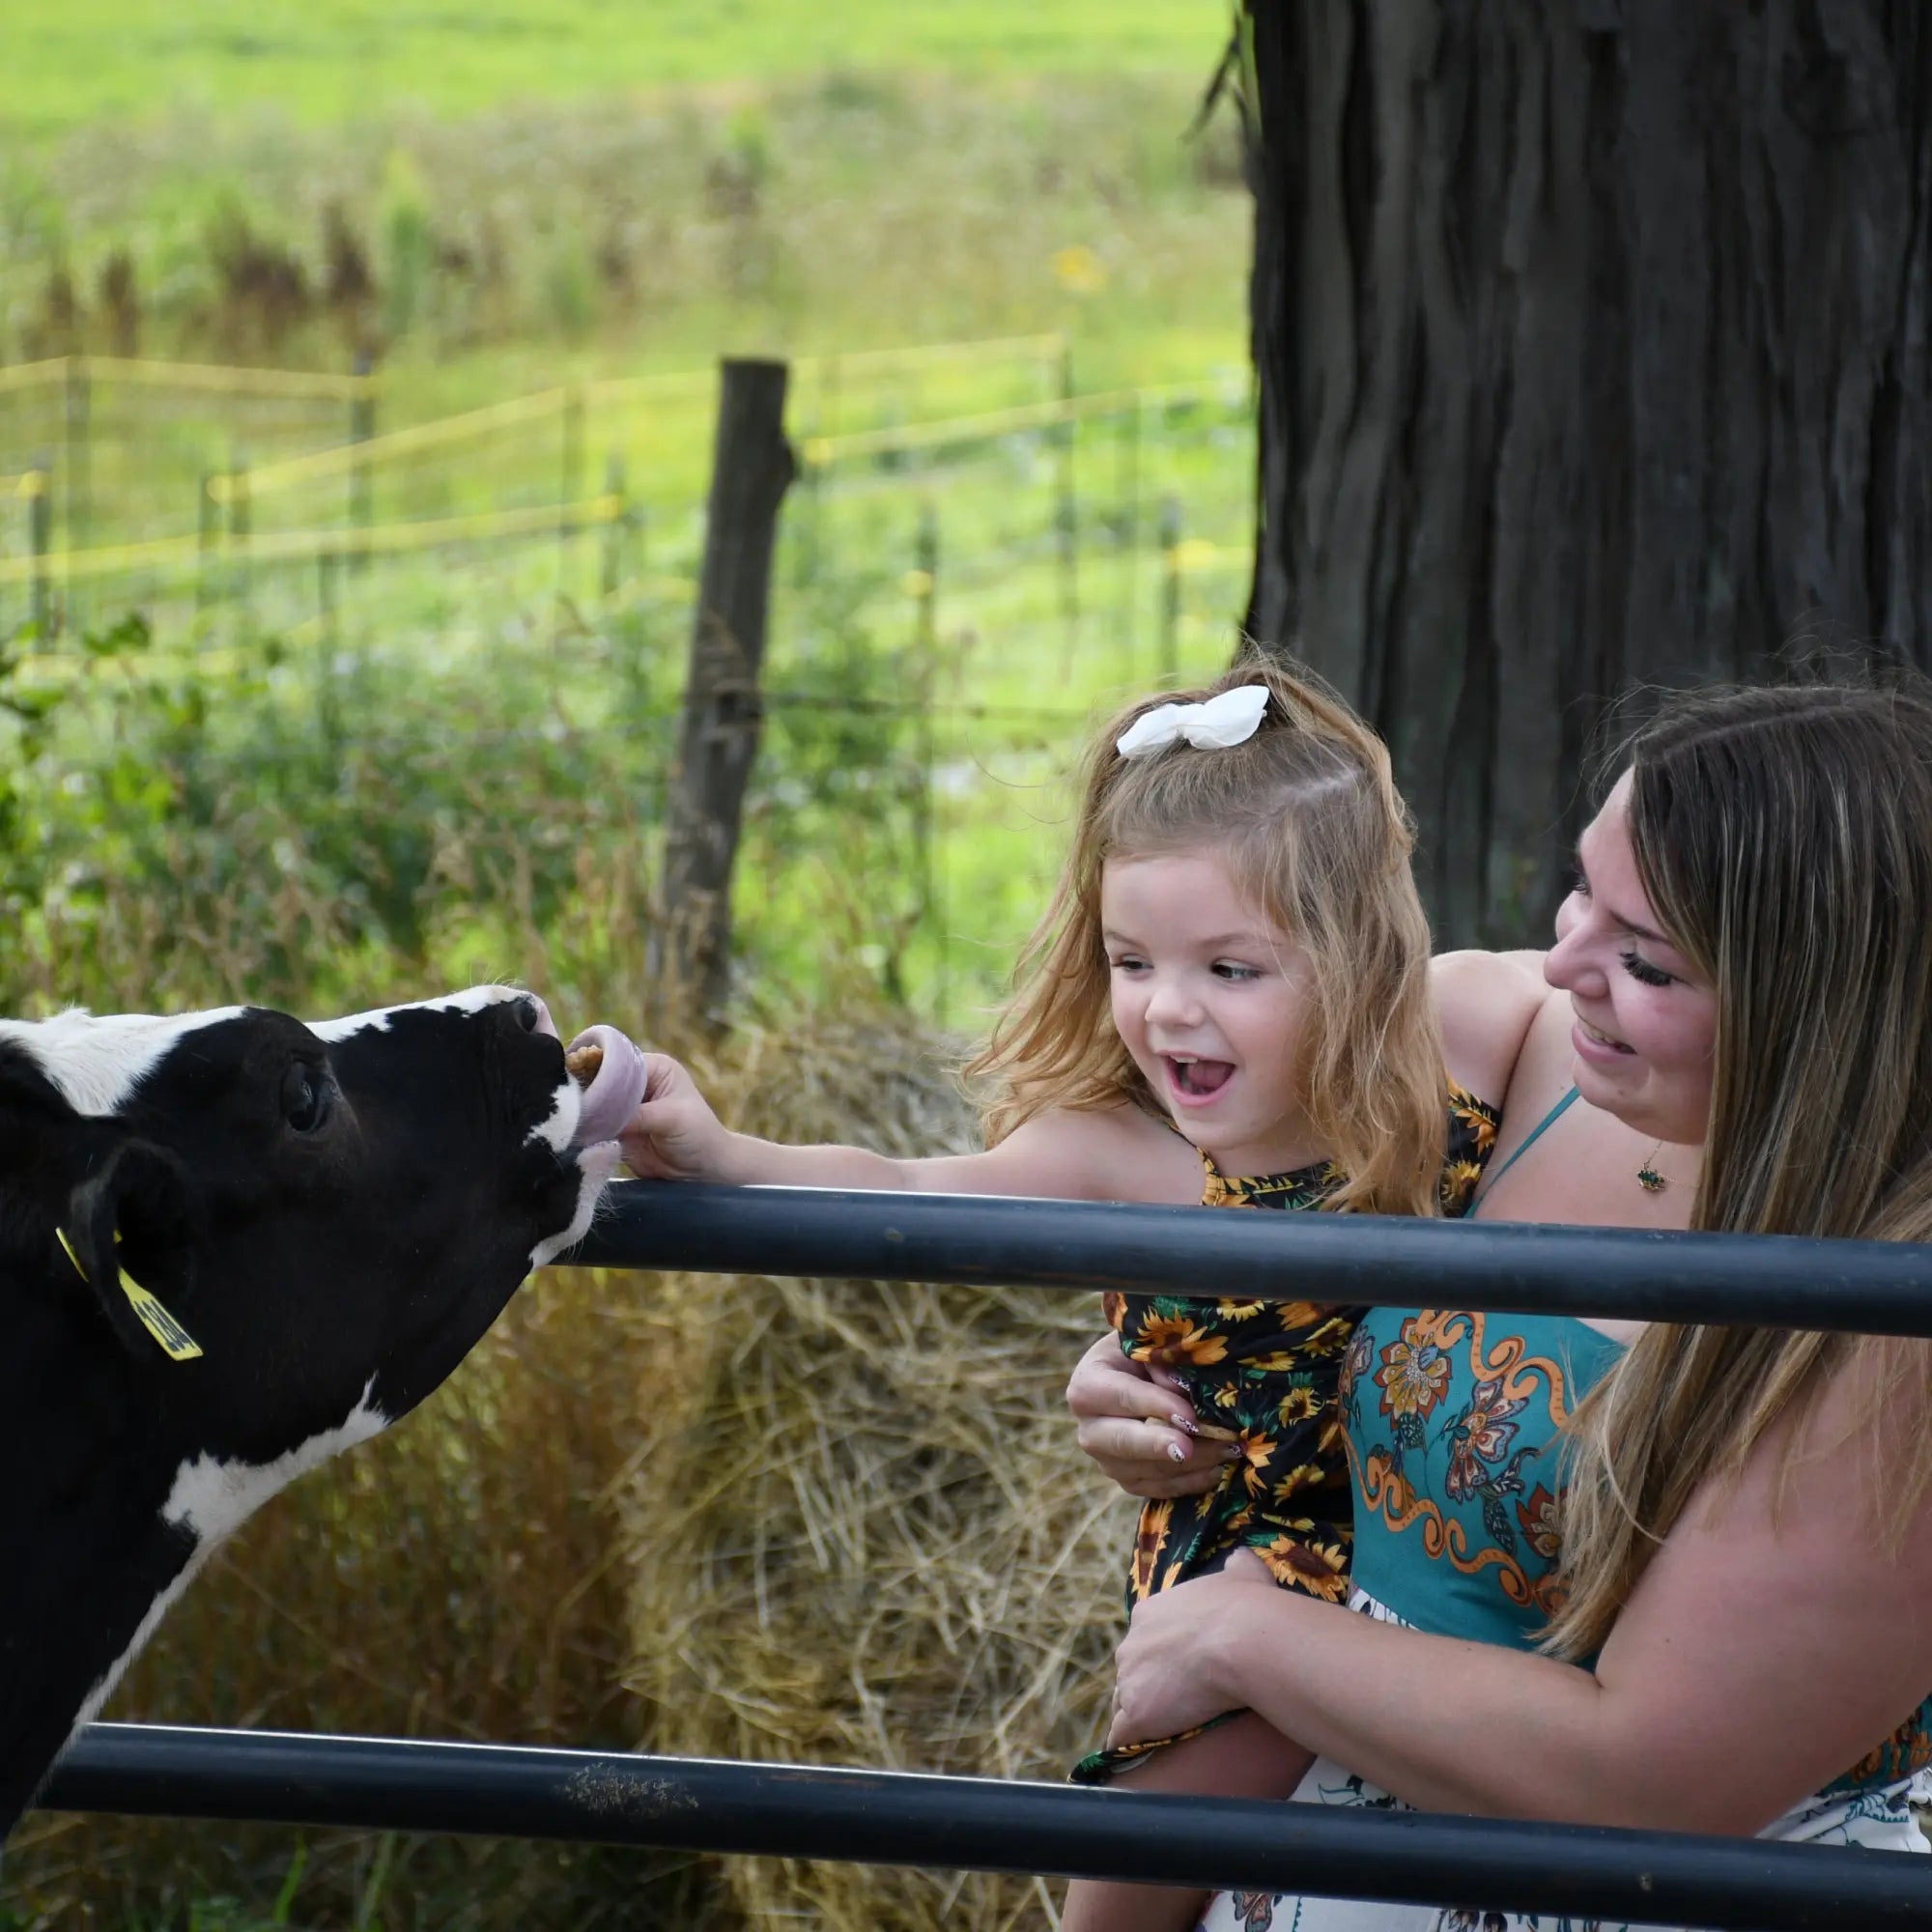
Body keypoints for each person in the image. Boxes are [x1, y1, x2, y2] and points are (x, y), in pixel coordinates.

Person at [620, 657, 1537, 1932]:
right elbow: (904, 1186)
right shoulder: (1125, 1155)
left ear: (1359, 953)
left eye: (1231, 970)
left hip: (1465, 1533)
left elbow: (1649, 1012)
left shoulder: (1471, 1046)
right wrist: (724, 1158)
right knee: (1150, 1838)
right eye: (1131, 959)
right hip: (1265, 1559)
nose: (1168, 1013)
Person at [1068, 674, 1932, 1930]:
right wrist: (1159, 1376)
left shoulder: (1889, 1312)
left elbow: (1651, 1780)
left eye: (1644, 954)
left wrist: (1241, 1643)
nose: (1567, 956)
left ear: (1809, 1002)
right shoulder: (1537, 1047)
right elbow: (1240, 1162)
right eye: (1584, 889)